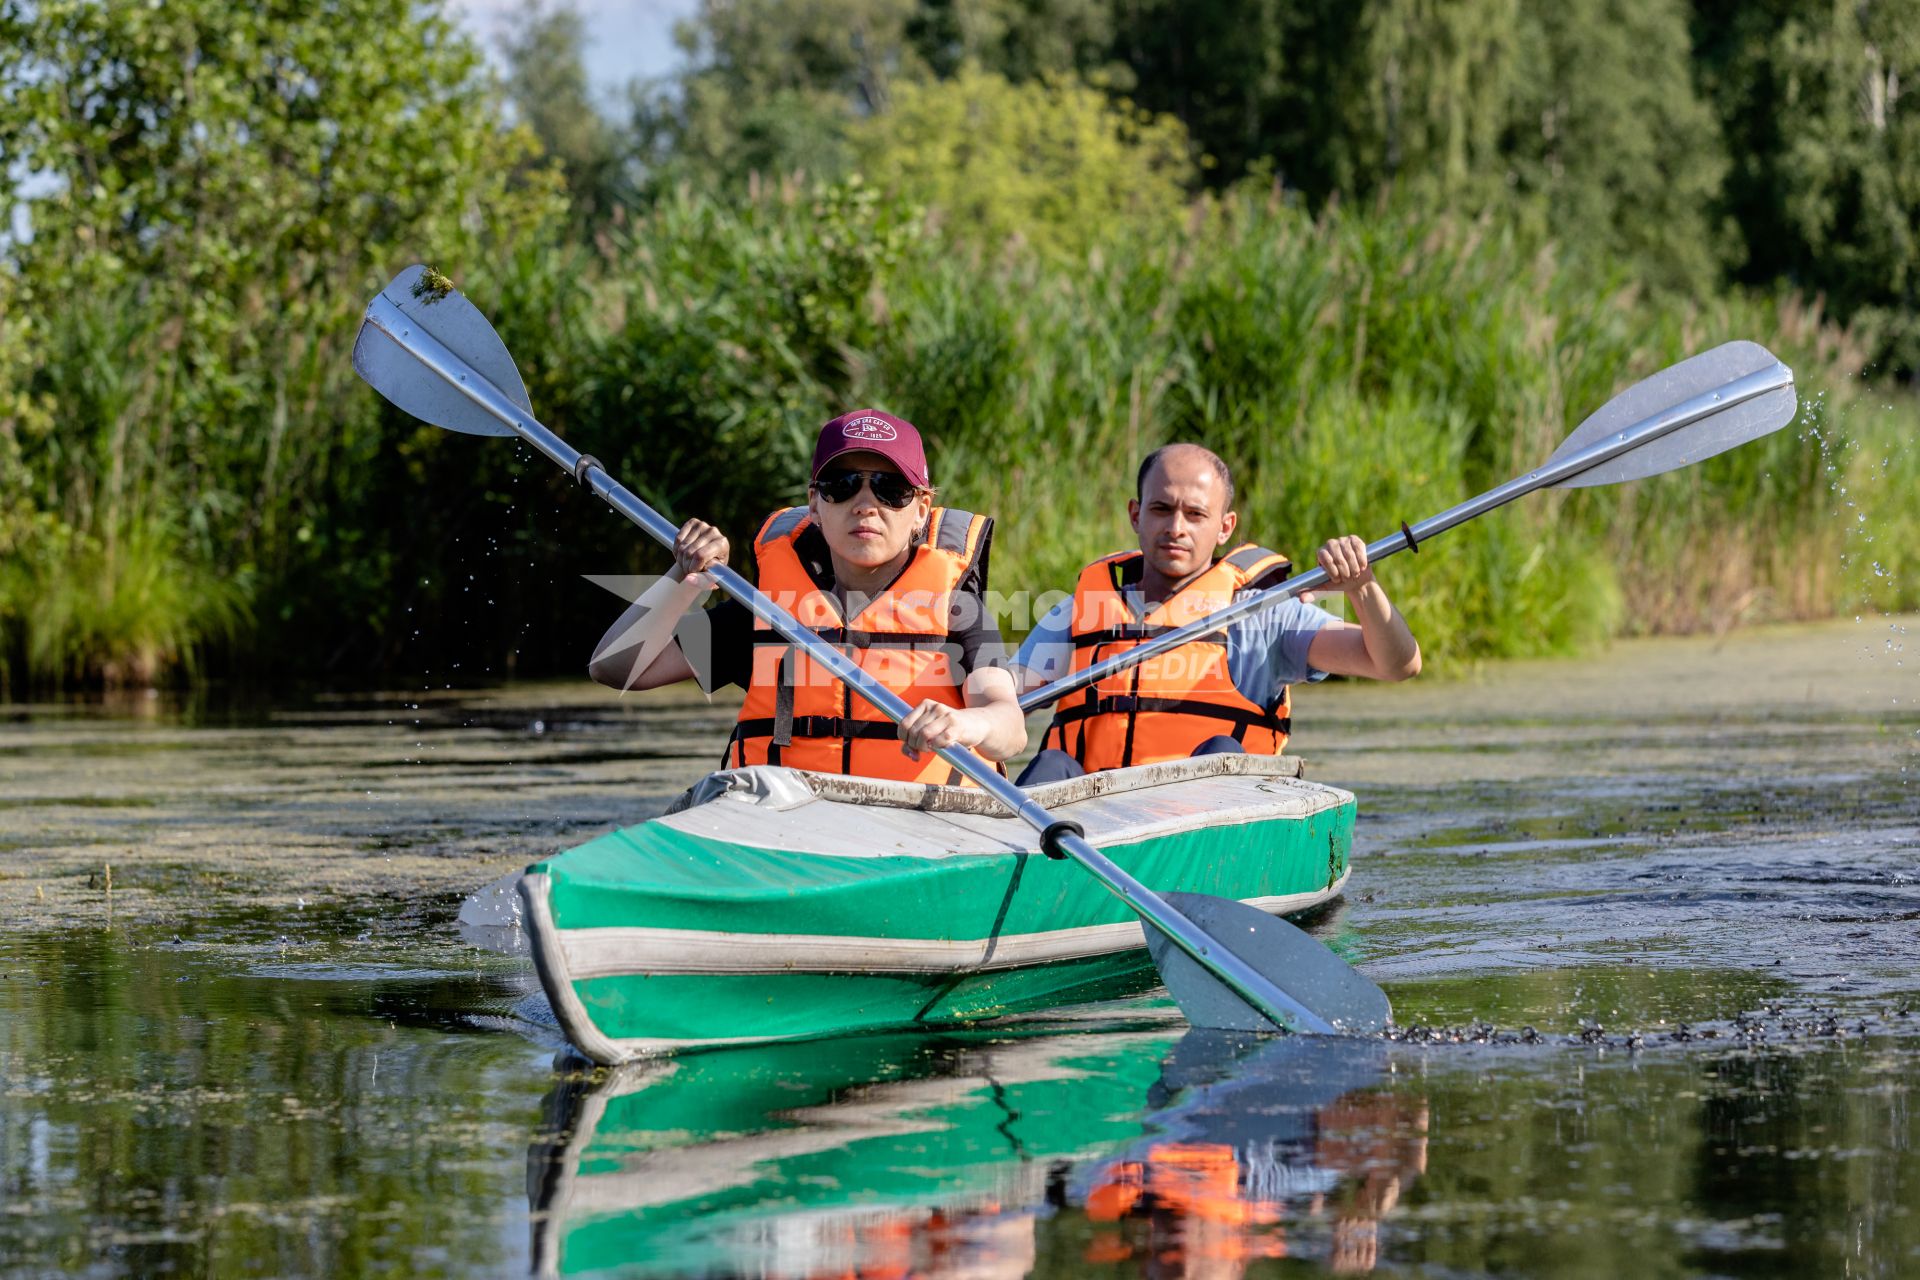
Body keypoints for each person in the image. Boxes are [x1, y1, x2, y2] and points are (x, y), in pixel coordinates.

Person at [589, 409, 1026, 783]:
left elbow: (1009, 725)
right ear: (814, 504)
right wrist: (684, 579)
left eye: (891, 489)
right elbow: (616, 667)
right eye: (844, 484)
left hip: (917, 826)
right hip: (787, 827)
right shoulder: (769, 612)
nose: (865, 504)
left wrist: (965, 723)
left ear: (921, 512)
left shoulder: (957, 611)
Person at [1012, 442, 1420, 783]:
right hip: (1091, 828)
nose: (1176, 527)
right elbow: (1002, 697)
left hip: (1204, 832)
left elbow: (1396, 665)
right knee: (1051, 765)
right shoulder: (1080, 611)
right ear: (1135, 514)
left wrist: (1362, 588)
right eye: (1161, 509)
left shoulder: (1264, 615)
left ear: (1225, 527)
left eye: (1195, 514)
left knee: (1221, 753)